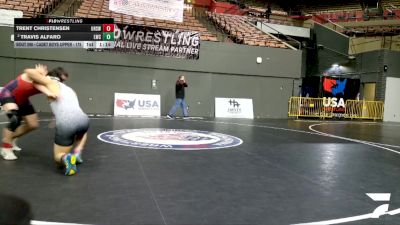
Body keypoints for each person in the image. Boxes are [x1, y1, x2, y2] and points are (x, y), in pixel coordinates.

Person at [0, 64, 60, 160]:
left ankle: (9, 139)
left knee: (33, 125)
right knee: (15, 120)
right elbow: (27, 70)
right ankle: (5, 147)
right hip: (7, 94)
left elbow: (52, 96)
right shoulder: (36, 75)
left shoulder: (50, 85)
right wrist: (38, 72)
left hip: (22, 100)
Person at [40, 69, 89, 176]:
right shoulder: (71, 90)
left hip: (67, 123)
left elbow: (34, 79)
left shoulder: (50, 82)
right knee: (82, 131)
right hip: (83, 119)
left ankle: (66, 157)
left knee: (58, 158)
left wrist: (42, 75)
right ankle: (77, 153)